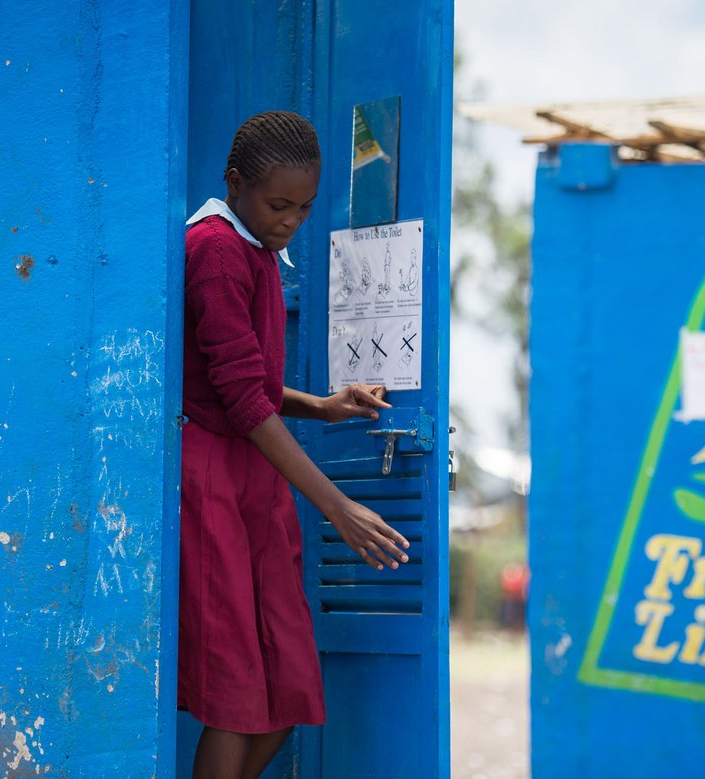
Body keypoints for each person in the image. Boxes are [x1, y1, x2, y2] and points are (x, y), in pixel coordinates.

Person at [179, 111, 411, 778]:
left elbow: (248, 382)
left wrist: (324, 405)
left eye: (305, 208)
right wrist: (338, 506)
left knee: (286, 688)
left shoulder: (252, 249)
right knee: (236, 697)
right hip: (215, 479)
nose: (291, 221)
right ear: (235, 183)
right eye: (278, 204)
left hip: (255, 477)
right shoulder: (216, 250)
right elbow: (241, 399)